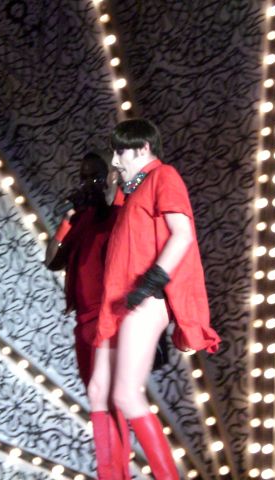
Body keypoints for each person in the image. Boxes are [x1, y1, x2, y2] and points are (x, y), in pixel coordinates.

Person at [88, 119, 221, 479]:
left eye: (120, 151)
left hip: (145, 297)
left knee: (126, 394)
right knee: (99, 390)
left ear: (143, 148)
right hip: (117, 299)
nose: (115, 160)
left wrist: (151, 283)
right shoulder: (130, 192)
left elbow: (182, 234)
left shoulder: (164, 176)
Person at [45, 151, 132, 479]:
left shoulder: (116, 212)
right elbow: (52, 260)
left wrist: (112, 186)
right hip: (82, 321)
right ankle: (109, 470)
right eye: (84, 177)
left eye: (94, 176)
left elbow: (120, 206)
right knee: (97, 398)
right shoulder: (80, 221)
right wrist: (67, 219)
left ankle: (117, 471)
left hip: (107, 318)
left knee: (110, 397)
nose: (88, 183)